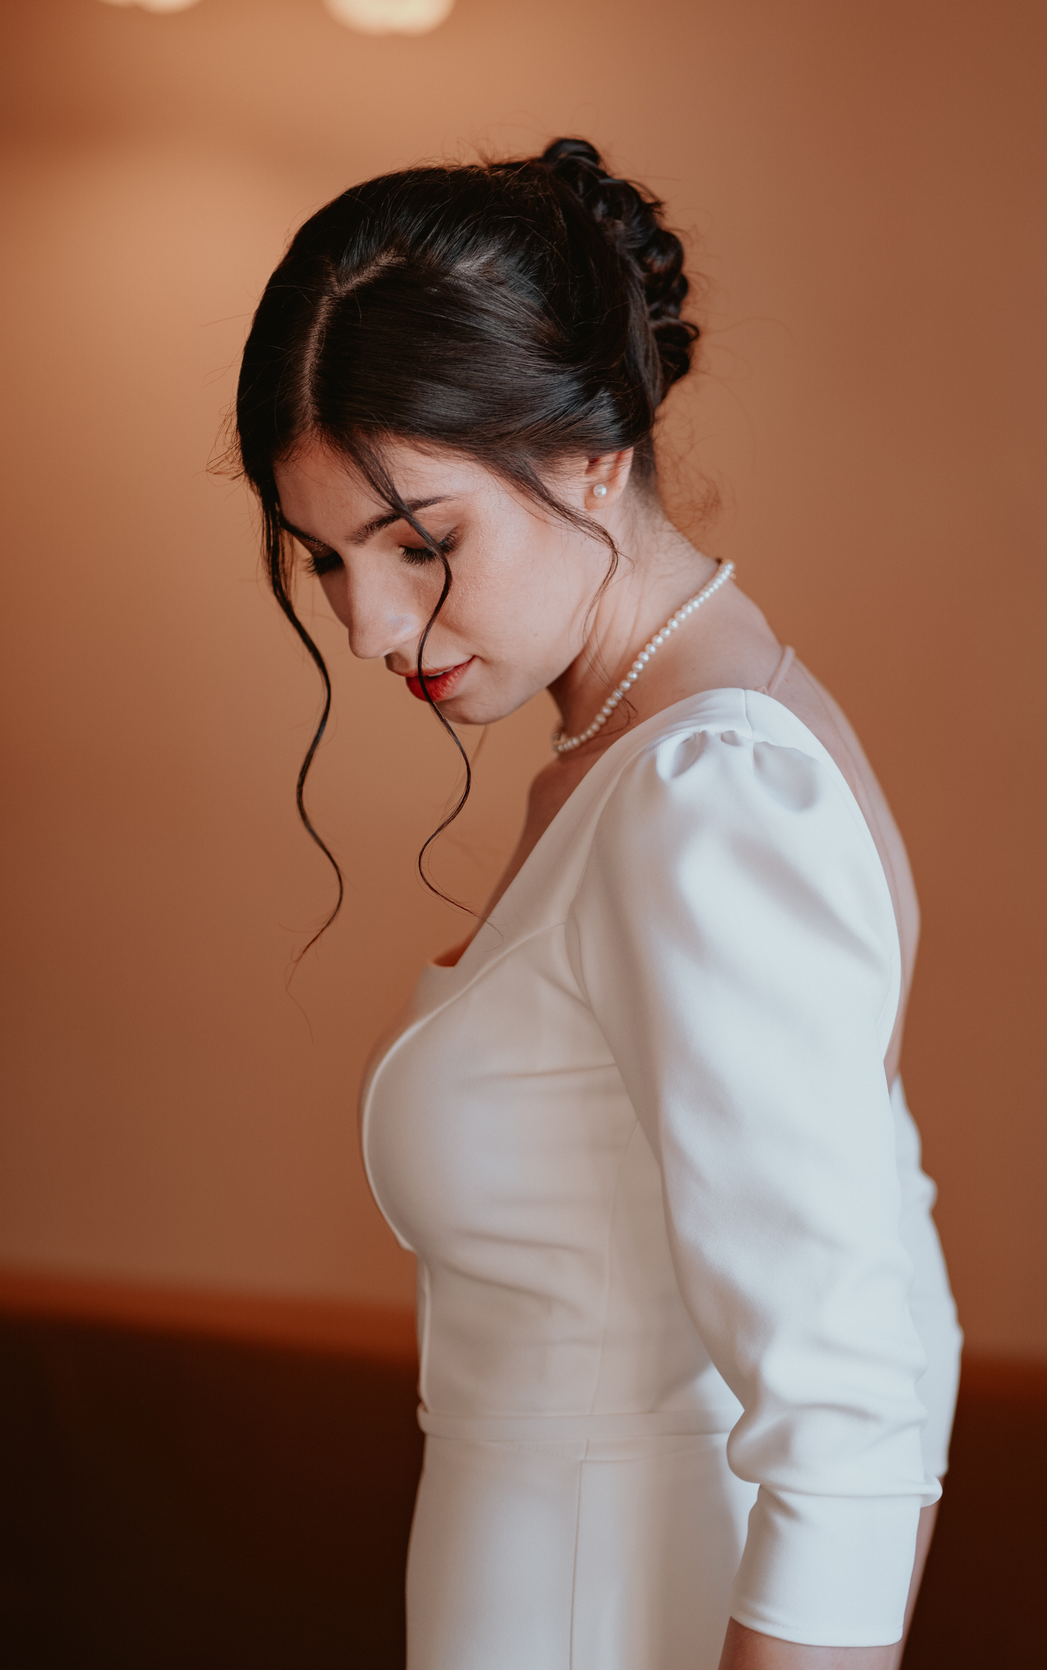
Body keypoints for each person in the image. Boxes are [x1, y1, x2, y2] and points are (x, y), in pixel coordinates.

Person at [233, 139, 962, 1669]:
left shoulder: (707, 797)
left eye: (421, 544)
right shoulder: (645, 741)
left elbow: (854, 1412)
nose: (370, 625)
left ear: (592, 460)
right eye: (326, 562)